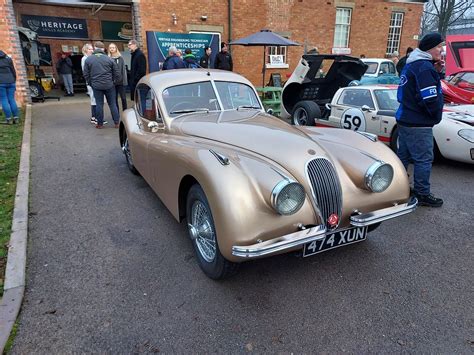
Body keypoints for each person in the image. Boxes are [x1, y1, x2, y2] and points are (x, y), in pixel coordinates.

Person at [396, 32, 445, 207]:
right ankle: (422, 193)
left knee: (403, 157)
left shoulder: (411, 65)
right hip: (419, 123)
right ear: (430, 48)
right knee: (423, 159)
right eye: (439, 46)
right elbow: (429, 98)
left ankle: (397, 189)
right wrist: (434, 115)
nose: (442, 50)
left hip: (405, 119)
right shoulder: (424, 68)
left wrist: (437, 72)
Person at [83, 41, 120, 129]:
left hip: (96, 86)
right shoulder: (109, 59)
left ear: (95, 48)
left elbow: (86, 74)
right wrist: (113, 82)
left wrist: (91, 83)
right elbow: (117, 73)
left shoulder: (89, 59)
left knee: (99, 104)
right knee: (112, 104)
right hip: (109, 85)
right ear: (103, 49)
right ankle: (117, 123)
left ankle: (100, 124)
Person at [81, 43, 104, 125]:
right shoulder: (85, 59)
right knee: (94, 100)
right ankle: (96, 118)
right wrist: (90, 82)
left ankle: (94, 117)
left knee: (94, 100)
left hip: (94, 82)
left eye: (92, 49)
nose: (91, 50)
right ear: (85, 50)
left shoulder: (90, 58)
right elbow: (86, 72)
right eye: (89, 49)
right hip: (91, 82)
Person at [0, 50, 19, 124]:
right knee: (11, 99)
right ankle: (16, 118)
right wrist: (14, 80)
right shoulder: (8, 59)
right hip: (11, 81)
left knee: (4, 100)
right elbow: (13, 71)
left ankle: (8, 119)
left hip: (1, 82)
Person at [108, 43, 128, 111]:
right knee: (114, 98)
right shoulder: (108, 59)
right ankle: (117, 112)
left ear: (116, 48)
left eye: (113, 47)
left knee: (123, 98)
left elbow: (123, 70)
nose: (112, 49)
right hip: (112, 82)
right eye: (110, 48)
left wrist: (124, 81)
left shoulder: (120, 58)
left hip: (121, 81)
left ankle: (125, 111)